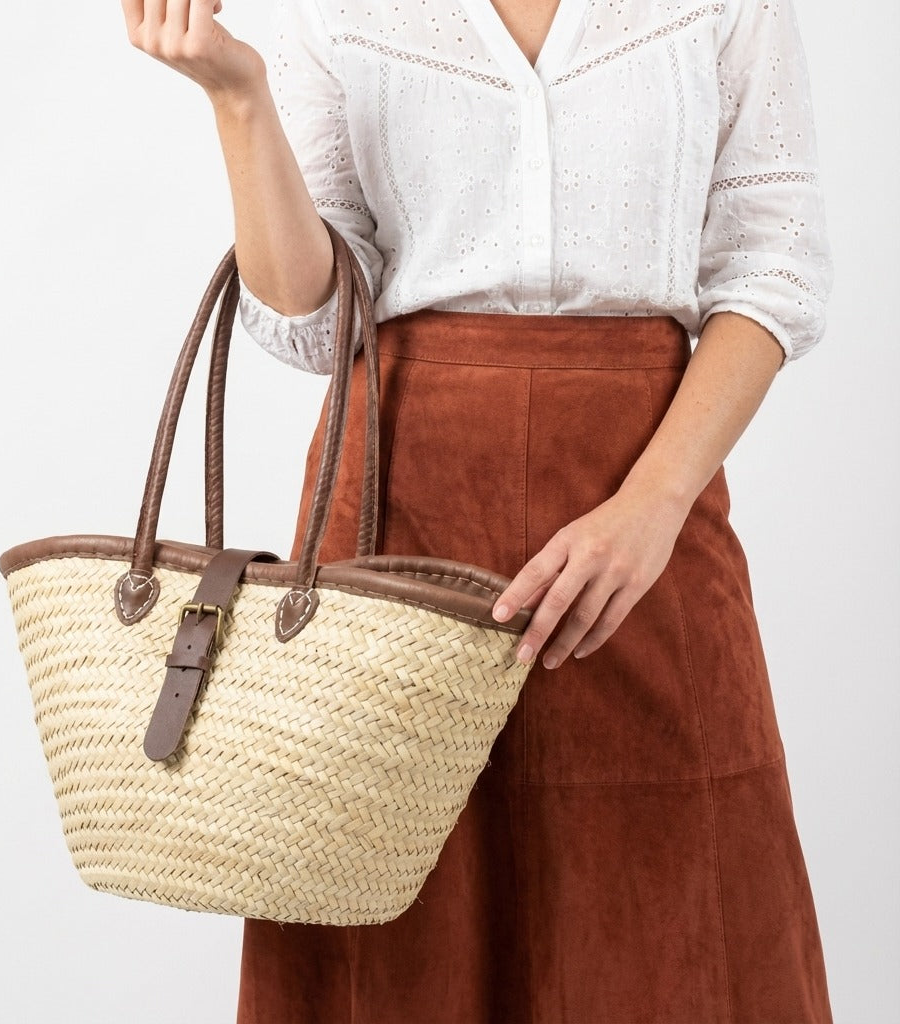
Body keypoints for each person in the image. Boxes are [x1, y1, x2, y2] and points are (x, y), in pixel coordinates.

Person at [119, 0, 836, 1020]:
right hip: (397, 509)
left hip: (645, 496)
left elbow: (773, 267)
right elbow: (313, 322)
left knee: (683, 903)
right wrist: (239, 98)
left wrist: (653, 504)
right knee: (392, 913)